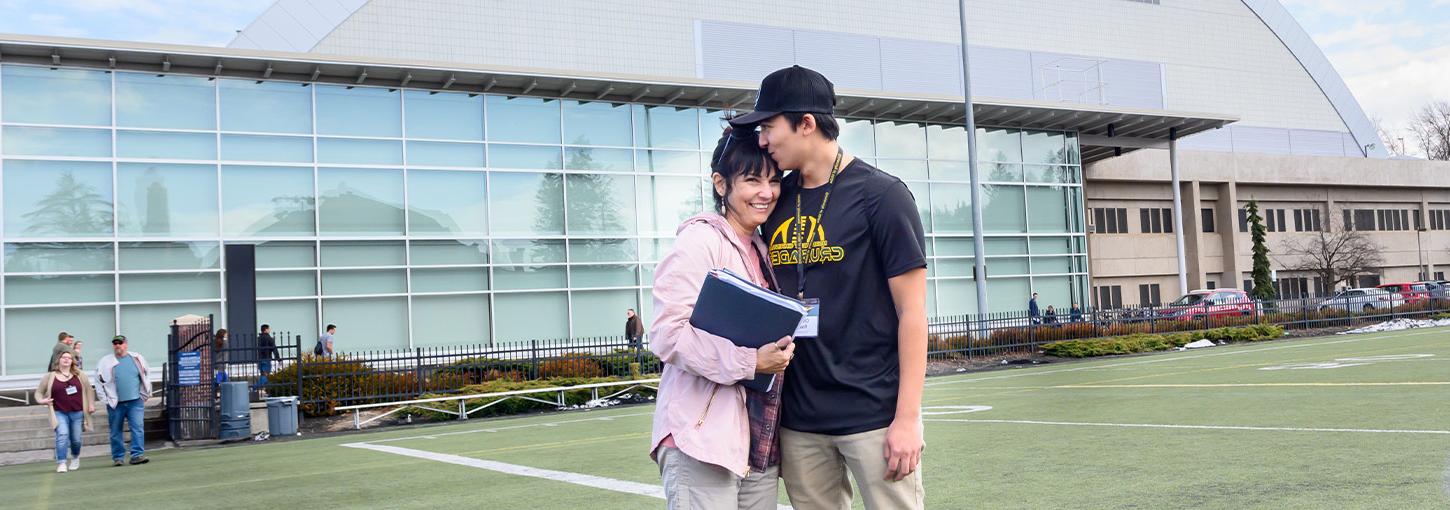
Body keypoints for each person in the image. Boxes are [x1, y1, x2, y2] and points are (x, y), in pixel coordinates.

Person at [736, 65, 928, 509]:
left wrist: (907, 418)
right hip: (800, 421)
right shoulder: (774, 199)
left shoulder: (882, 196)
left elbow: (912, 313)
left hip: (874, 415)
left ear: (806, 124)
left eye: (769, 127)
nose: (762, 140)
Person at [649, 125, 796, 509]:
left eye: (774, 180)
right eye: (752, 180)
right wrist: (751, 362)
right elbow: (667, 334)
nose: (766, 192)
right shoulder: (700, 240)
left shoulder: (761, 248)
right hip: (702, 437)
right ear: (720, 184)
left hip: (754, 439)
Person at [34, 351, 95, 473]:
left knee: (76, 439)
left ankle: (75, 457)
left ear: (72, 361)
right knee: (62, 435)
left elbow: (89, 390)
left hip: (77, 412)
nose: (66, 360)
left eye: (69, 358)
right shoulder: (50, 376)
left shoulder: (80, 375)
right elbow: (38, 392)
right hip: (59, 412)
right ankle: (61, 462)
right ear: (58, 360)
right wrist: (42, 401)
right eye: (64, 357)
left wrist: (91, 404)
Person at [96, 335, 151, 466]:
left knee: (137, 428)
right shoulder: (105, 361)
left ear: (126, 344)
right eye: (115, 343)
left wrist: (146, 393)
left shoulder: (136, 358)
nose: (117, 345)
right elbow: (98, 381)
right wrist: (105, 400)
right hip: (115, 404)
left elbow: (146, 374)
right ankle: (118, 457)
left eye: (120, 343)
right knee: (115, 431)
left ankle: (137, 455)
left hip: (135, 401)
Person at [256, 324, 279, 393]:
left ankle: (266, 389)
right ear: (266, 330)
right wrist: (278, 359)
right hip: (267, 358)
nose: (269, 330)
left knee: (263, 374)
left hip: (260, 359)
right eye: (269, 329)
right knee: (265, 375)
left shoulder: (259, 338)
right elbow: (274, 349)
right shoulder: (269, 338)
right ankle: (255, 387)